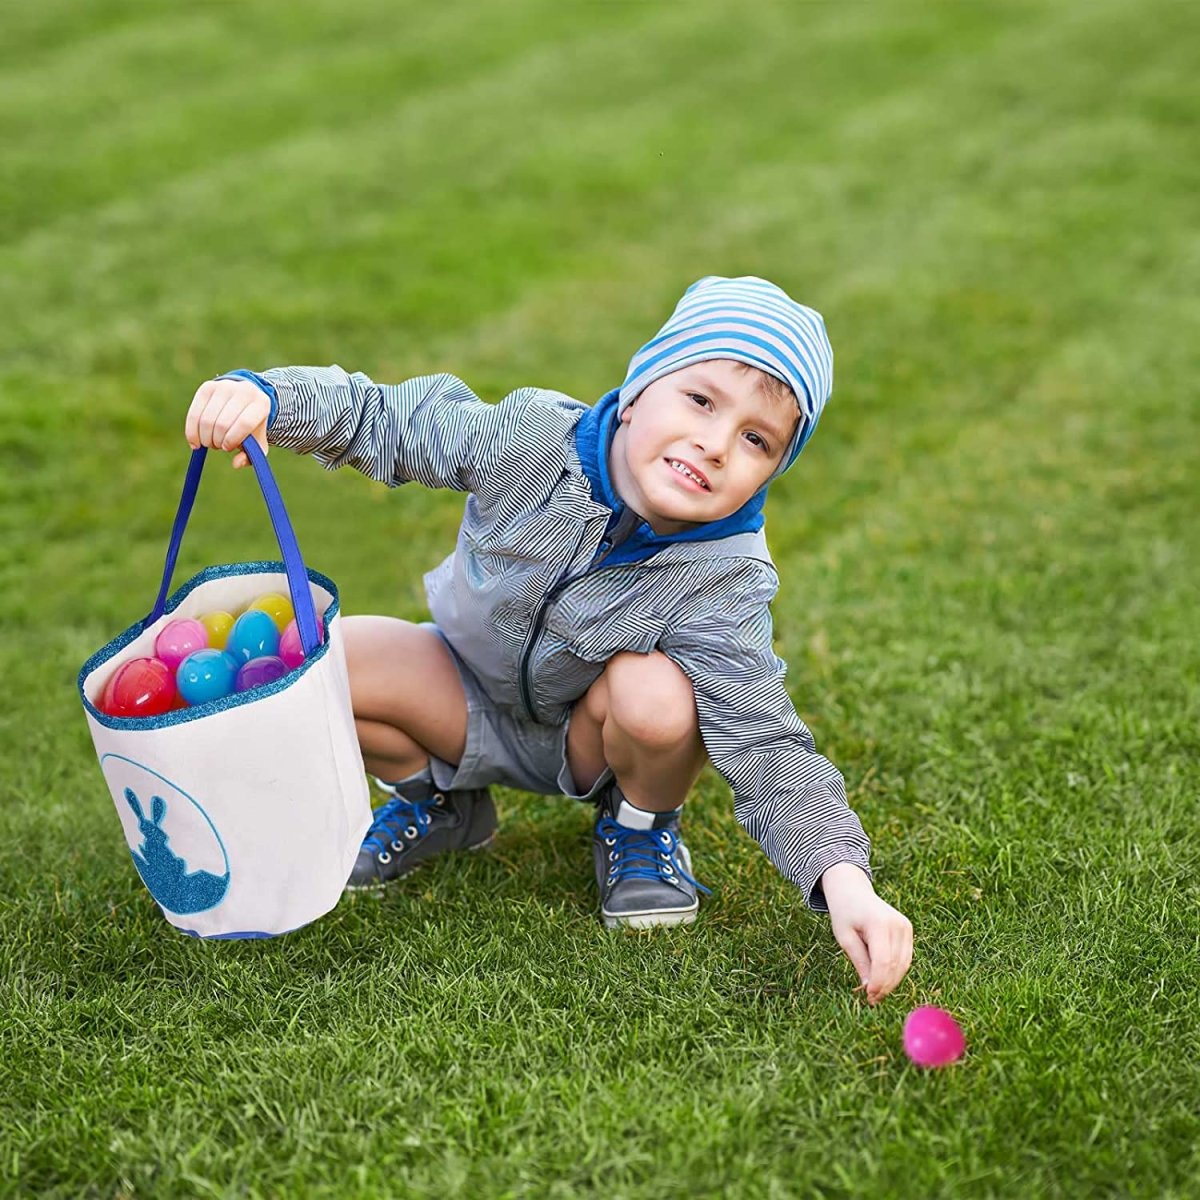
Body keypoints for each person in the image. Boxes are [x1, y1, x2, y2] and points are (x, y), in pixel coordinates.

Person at [185, 275, 913, 1004]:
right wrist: (272, 400)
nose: (716, 443)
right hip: (464, 687)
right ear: (637, 391)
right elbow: (387, 419)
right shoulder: (531, 440)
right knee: (330, 662)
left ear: (772, 471)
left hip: (588, 738)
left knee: (660, 698)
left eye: (757, 440)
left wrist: (842, 882)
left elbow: (761, 741)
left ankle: (638, 826)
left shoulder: (723, 576)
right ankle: (441, 804)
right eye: (700, 400)